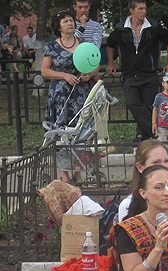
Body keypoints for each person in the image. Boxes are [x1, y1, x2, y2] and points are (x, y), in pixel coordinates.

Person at [106, 0, 168, 142]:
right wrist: (110, 63)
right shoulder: (121, 28)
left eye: (145, 9)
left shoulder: (153, 26)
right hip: (129, 73)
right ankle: (156, 133)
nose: (144, 12)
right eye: (140, 9)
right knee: (132, 103)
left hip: (149, 72)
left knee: (149, 106)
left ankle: (142, 139)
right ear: (132, 11)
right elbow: (110, 44)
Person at [41, 10, 98, 183]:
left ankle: (78, 170)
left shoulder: (83, 44)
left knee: (80, 132)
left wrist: (89, 74)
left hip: (80, 95)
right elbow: (45, 71)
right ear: (59, 27)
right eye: (65, 21)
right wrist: (64, 76)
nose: (70, 23)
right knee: (62, 133)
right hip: (61, 96)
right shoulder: (51, 47)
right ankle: (64, 171)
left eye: (71, 20)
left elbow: (94, 63)